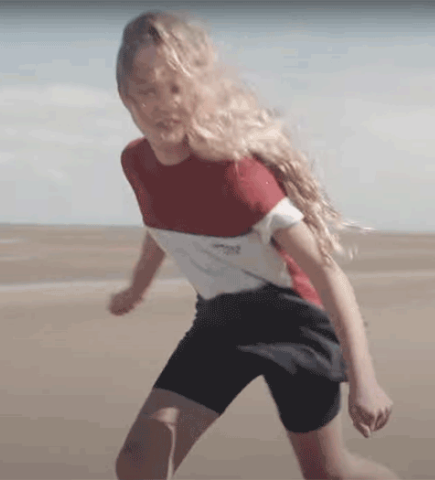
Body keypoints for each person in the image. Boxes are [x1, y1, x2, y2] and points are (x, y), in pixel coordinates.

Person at [108, 11, 397, 480]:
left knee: (329, 473)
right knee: (139, 460)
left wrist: (365, 380)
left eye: (177, 88)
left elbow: (327, 273)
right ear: (125, 96)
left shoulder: (238, 178)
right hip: (221, 321)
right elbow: (160, 224)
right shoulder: (135, 162)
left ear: (200, 90)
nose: (163, 104)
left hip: (297, 323)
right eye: (147, 90)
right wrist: (136, 287)